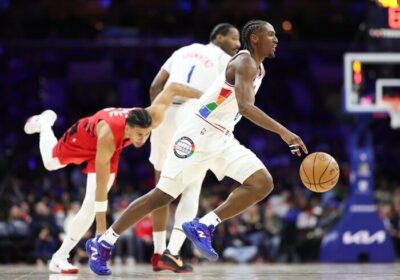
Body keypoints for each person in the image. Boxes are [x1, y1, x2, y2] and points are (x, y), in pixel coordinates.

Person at [87, 19, 307, 276]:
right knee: (163, 195)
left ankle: (205, 225)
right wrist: (284, 132)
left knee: (262, 182)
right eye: (271, 34)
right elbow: (246, 107)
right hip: (197, 133)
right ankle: (103, 242)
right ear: (255, 38)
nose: (276, 39)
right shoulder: (244, 62)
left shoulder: (259, 69)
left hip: (222, 137)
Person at [23, 82, 201, 274]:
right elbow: (101, 186)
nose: (142, 139)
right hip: (86, 137)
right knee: (51, 162)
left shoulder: (152, 117)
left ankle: (60, 257)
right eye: (139, 134)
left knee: (89, 206)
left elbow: (173, 88)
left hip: (111, 148)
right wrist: (101, 231)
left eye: (146, 134)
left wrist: (208, 95)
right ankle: (44, 123)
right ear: (128, 128)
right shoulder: (108, 134)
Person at [148, 22, 240, 273]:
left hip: (164, 110)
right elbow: (227, 96)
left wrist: (157, 113)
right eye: (234, 39)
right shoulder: (225, 59)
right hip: (192, 114)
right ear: (219, 38)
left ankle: (157, 253)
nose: (238, 45)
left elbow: (156, 86)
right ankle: (172, 253)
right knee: (191, 188)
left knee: (161, 187)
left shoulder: (182, 50)